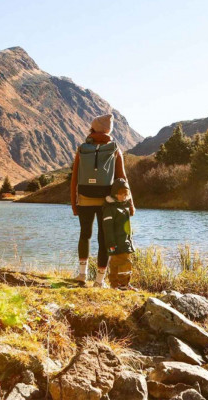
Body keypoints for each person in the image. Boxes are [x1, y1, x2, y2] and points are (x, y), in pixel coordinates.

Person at [71, 114, 135, 287]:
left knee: (85, 235)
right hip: (106, 202)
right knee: (104, 239)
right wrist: (130, 204)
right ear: (109, 130)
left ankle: (82, 275)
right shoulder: (114, 149)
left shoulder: (82, 149)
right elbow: (122, 178)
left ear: (92, 128)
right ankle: (99, 280)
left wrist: (74, 203)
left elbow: (74, 179)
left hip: (84, 199)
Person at [102, 178, 135, 290]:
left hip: (125, 242)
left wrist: (130, 240)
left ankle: (117, 285)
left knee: (118, 263)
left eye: (125, 193)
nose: (123, 196)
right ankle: (122, 285)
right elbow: (108, 228)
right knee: (123, 262)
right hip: (116, 242)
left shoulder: (124, 207)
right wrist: (111, 243)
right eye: (121, 193)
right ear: (115, 194)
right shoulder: (110, 209)